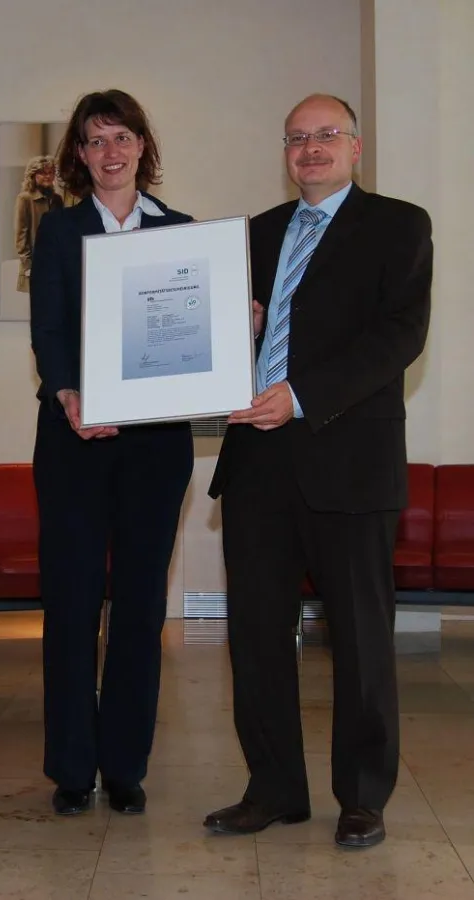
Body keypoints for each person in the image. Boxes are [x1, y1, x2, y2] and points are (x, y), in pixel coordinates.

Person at [204, 94, 432, 849]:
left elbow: (399, 336)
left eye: (326, 135)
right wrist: (241, 332)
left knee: (361, 638)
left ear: (356, 147)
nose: (311, 149)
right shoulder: (257, 234)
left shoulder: (400, 226)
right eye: (297, 138)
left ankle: (363, 796)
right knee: (256, 637)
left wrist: (301, 396)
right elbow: (229, 336)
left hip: (349, 459)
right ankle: (273, 789)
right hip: (257, 463)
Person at [30, 89, 194, 816]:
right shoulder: (59, 233)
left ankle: (125, 765)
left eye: (121, 137)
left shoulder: (183, 231)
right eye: (94, 141)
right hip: (73, 439)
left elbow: (192, 335)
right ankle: (71, 769)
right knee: (69, 602)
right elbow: (51, 330)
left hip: (156, 447)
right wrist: (68, 393)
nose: (110, 152)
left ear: (142, 146)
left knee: (138, 606)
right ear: (78, 156)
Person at [14, 155, 63, 291]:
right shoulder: (25, 199)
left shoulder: (57, 200)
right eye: (42, 173)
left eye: (50, 172)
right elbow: (21, 236)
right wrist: (28, 265)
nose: (47, 176)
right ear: (33, 175)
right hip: (33, 266)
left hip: (55, 265)